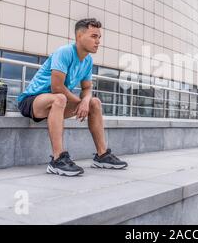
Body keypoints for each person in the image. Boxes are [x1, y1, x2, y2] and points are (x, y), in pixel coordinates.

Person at [17, 18, 128, 176]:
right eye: (93, 36)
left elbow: (87, 88)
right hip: (32, 100)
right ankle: (57, 160)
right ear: (79, 37)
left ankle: (102, 155)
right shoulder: (65, 52)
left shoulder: (88, 60)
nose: (98, 41)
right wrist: (80, 102)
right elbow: (57, 87)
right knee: (60, 98)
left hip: (57, 103)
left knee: (94, 102)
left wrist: (86, 100)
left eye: (99, 37)